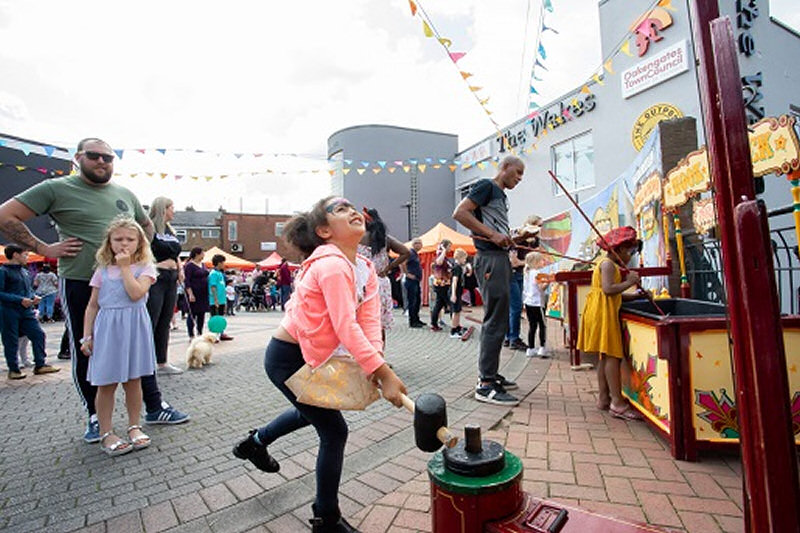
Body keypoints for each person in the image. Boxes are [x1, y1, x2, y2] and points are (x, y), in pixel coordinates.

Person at [232, 196, 406, 532]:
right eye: (340, 210)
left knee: (310, 411)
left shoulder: (365, 267)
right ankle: (325, 517)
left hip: (313, 353)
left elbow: (369, 322)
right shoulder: (330, 265)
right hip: (286, 358)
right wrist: (381, 373)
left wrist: (377, 366)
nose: (354, 211)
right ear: (324, 231)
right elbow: (345, 325)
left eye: (354, 207)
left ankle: (255, 443)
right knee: (333, 429)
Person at [0, 138, 188, 441]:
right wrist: (43, 247)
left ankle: (153, 407)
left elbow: (145, 226)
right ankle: (95, 418)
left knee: (139, 348)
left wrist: (143, 258)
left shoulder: (124, 192)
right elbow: (5, 214)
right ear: (78, 158)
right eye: (95, 156)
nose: (102, 162)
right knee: (88, 349)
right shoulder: (55, 188)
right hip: (80, 280)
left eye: (108, 157)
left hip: (129, 284)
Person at [81, 217, 158, 456]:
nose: (124, 243)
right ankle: (106, 432)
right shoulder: (102, 271)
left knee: (133, 381)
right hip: (108, 328)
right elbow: (93, 305)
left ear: (139, 242)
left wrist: (125, 267)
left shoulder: (146, 268)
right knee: (106, 383)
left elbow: (136, 293)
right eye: (118, 239)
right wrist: (86, 336)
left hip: (134, 327)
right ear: (109, 242)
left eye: (130, 239)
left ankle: (134, 425)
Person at [453, 155, 524, 406]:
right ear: (504, 167)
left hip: (499, 257)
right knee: (495, 319)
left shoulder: (499, 195)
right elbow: (460, 213)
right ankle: (485, 384)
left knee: (500, 318)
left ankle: (491, 374)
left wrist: (507, 237)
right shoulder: (486, 186)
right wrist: (493, 234)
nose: (519, 179)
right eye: (517, 173)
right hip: (490, 258)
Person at [577, 226, 645, 421]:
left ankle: (604, 398)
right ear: (620, 249)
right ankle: (617, 402)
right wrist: (630, 281)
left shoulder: (606, 264)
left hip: (602, 310)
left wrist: (632, 296)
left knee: (605, 357)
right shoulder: (608, 265)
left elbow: (612, 294)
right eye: (630, 251)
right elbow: (608, 290)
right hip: (602, 314)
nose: (630, 256)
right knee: (613, 356)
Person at [0, 244, 60, 379]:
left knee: (38, 334)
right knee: (11, 340)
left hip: (26, 311)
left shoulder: (24, 272)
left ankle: (40, 364)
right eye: (24, 255)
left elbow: (29, 290)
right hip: (9, 311)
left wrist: (34, 297)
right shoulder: (3, 271)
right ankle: (13, 369)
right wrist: (19, 299)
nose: (26, 257)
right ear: (15, 255)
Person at [357, 207, 410, 345]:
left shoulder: (356, 237)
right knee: (378, 325)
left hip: (360, 283)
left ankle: (363, 359)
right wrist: (389, 268)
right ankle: (379, 359)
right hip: (380, 283)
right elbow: (405, 252)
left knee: (360, 323)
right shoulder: (386, 239)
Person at [147, 197, 184, 375]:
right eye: (171, 207)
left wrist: (180, 268)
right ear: (163, 209)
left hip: (171, 277)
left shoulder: (171, 231)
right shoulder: (149, 229)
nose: (174, 211)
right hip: (156, 277)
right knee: (152, 319)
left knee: (165, 320)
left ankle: (162, 362)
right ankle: (145, 362)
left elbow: (177, 254)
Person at [523, 252, 549, 358]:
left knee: (532, 325)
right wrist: (549, 281)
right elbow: (541, 287)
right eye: (541, 260)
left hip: (529, 302)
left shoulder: (527, 272)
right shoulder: (537, 273)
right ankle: (542, 347)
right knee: (542, 325)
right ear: (536, 262)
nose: (543, 262)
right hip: (538, 303)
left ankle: (531, 348)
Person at [504, 246, 528, 351]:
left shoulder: (532, 241)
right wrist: (527, 262)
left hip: (517, 274)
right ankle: (514, 338)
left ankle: (508, 337)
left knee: (512, 308)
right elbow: (515, 263)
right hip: (512, 275)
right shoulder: (518, 242)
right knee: (516, 307)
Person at [183, 247, 209, 338]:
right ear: (197, 254)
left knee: (201, 313)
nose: (203, 255)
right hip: (194, 291)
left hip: (203, 293)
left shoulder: (203, 265)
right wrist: (190, 293)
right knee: (192, 314)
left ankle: (200, 332)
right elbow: (187, 281)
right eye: (202, 253)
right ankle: (191, 334)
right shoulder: (189, 266)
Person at [208, 254, 233, 340]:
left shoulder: (220, 273)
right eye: (223, 262)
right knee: (215, 317)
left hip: (221, 298)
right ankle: (213, 335)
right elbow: (213, 286)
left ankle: (221, 333)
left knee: (221, 316)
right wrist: (215, 299)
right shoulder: (213, 273)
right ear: (219, 263)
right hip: (215, 299)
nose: (223, 264)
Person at [429, 239, 452, 332]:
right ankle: (455, 325)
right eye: (449, 246)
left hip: (445, 283)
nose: (450, 248)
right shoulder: (440, 255)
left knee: (439, 304)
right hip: (441, 284)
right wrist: (443, 251)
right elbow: (439, 262)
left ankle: (434, 324)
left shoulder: (445, 257)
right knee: (450, 304)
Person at [403, 238, 425, 328]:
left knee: (417, 301)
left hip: (416, 281)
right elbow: (402, 263)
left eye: (420, 243)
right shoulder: (410, 253)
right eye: (416, 243)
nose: (418, 245)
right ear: (412, 244)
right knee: (412, 301)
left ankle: (416, 319)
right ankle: (412, 322)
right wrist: (407, 274)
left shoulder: (415, 254)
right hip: (411, 281)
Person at [449, 248, 470, 339]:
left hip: (458, 292)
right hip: (455, 292)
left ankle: (457, 327)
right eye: (464, 258)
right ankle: (453, 330)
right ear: (460, 258)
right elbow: (454, 281)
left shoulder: (459, 267)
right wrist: (453, 294)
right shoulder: (457, 268)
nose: (465, 260)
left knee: (458, 310)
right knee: (455, 311)